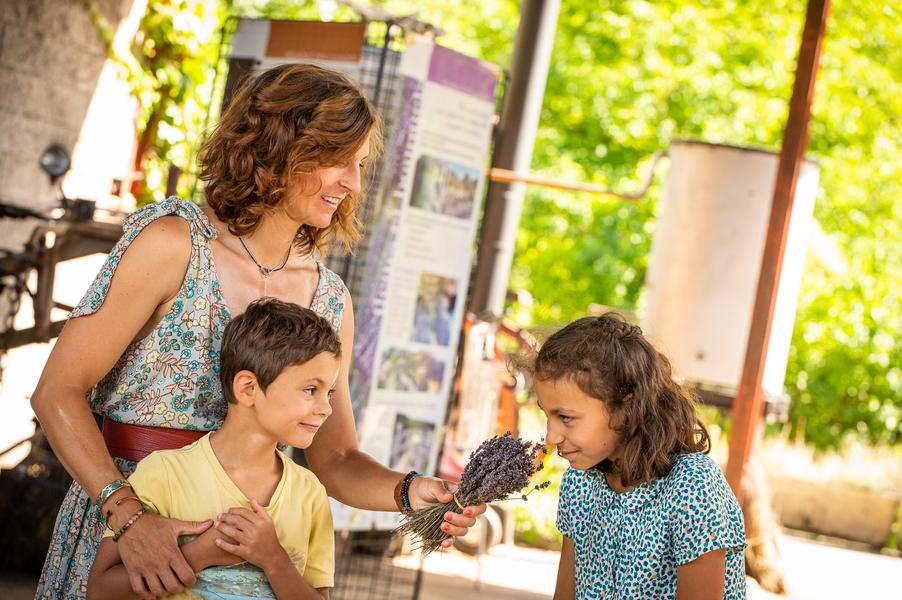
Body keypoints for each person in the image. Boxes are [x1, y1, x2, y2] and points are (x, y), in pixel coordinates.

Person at [32, 63, 483, 599]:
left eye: (359, 165)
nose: (353, 183)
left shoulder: (330, 298)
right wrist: (129, 517)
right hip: (134, 536)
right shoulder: (173, 245)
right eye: (335, 160)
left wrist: (411, 492)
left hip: (251, 557)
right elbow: (56, 391)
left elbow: (335, 459)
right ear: (277, 146)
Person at [89, 298, 341, 599]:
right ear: (248, 388)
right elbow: (102, 591)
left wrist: (274, 560)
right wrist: (200, 554)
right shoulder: (164, 474)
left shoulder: (311, 494)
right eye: (311, 390)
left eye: (330, 392)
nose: (326, 408)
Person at [522, 314, 746, 599]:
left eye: (566, 417)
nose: (551, 437)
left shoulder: (693, 487)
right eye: (547, 414)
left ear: (625, 407)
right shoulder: (579, 484)